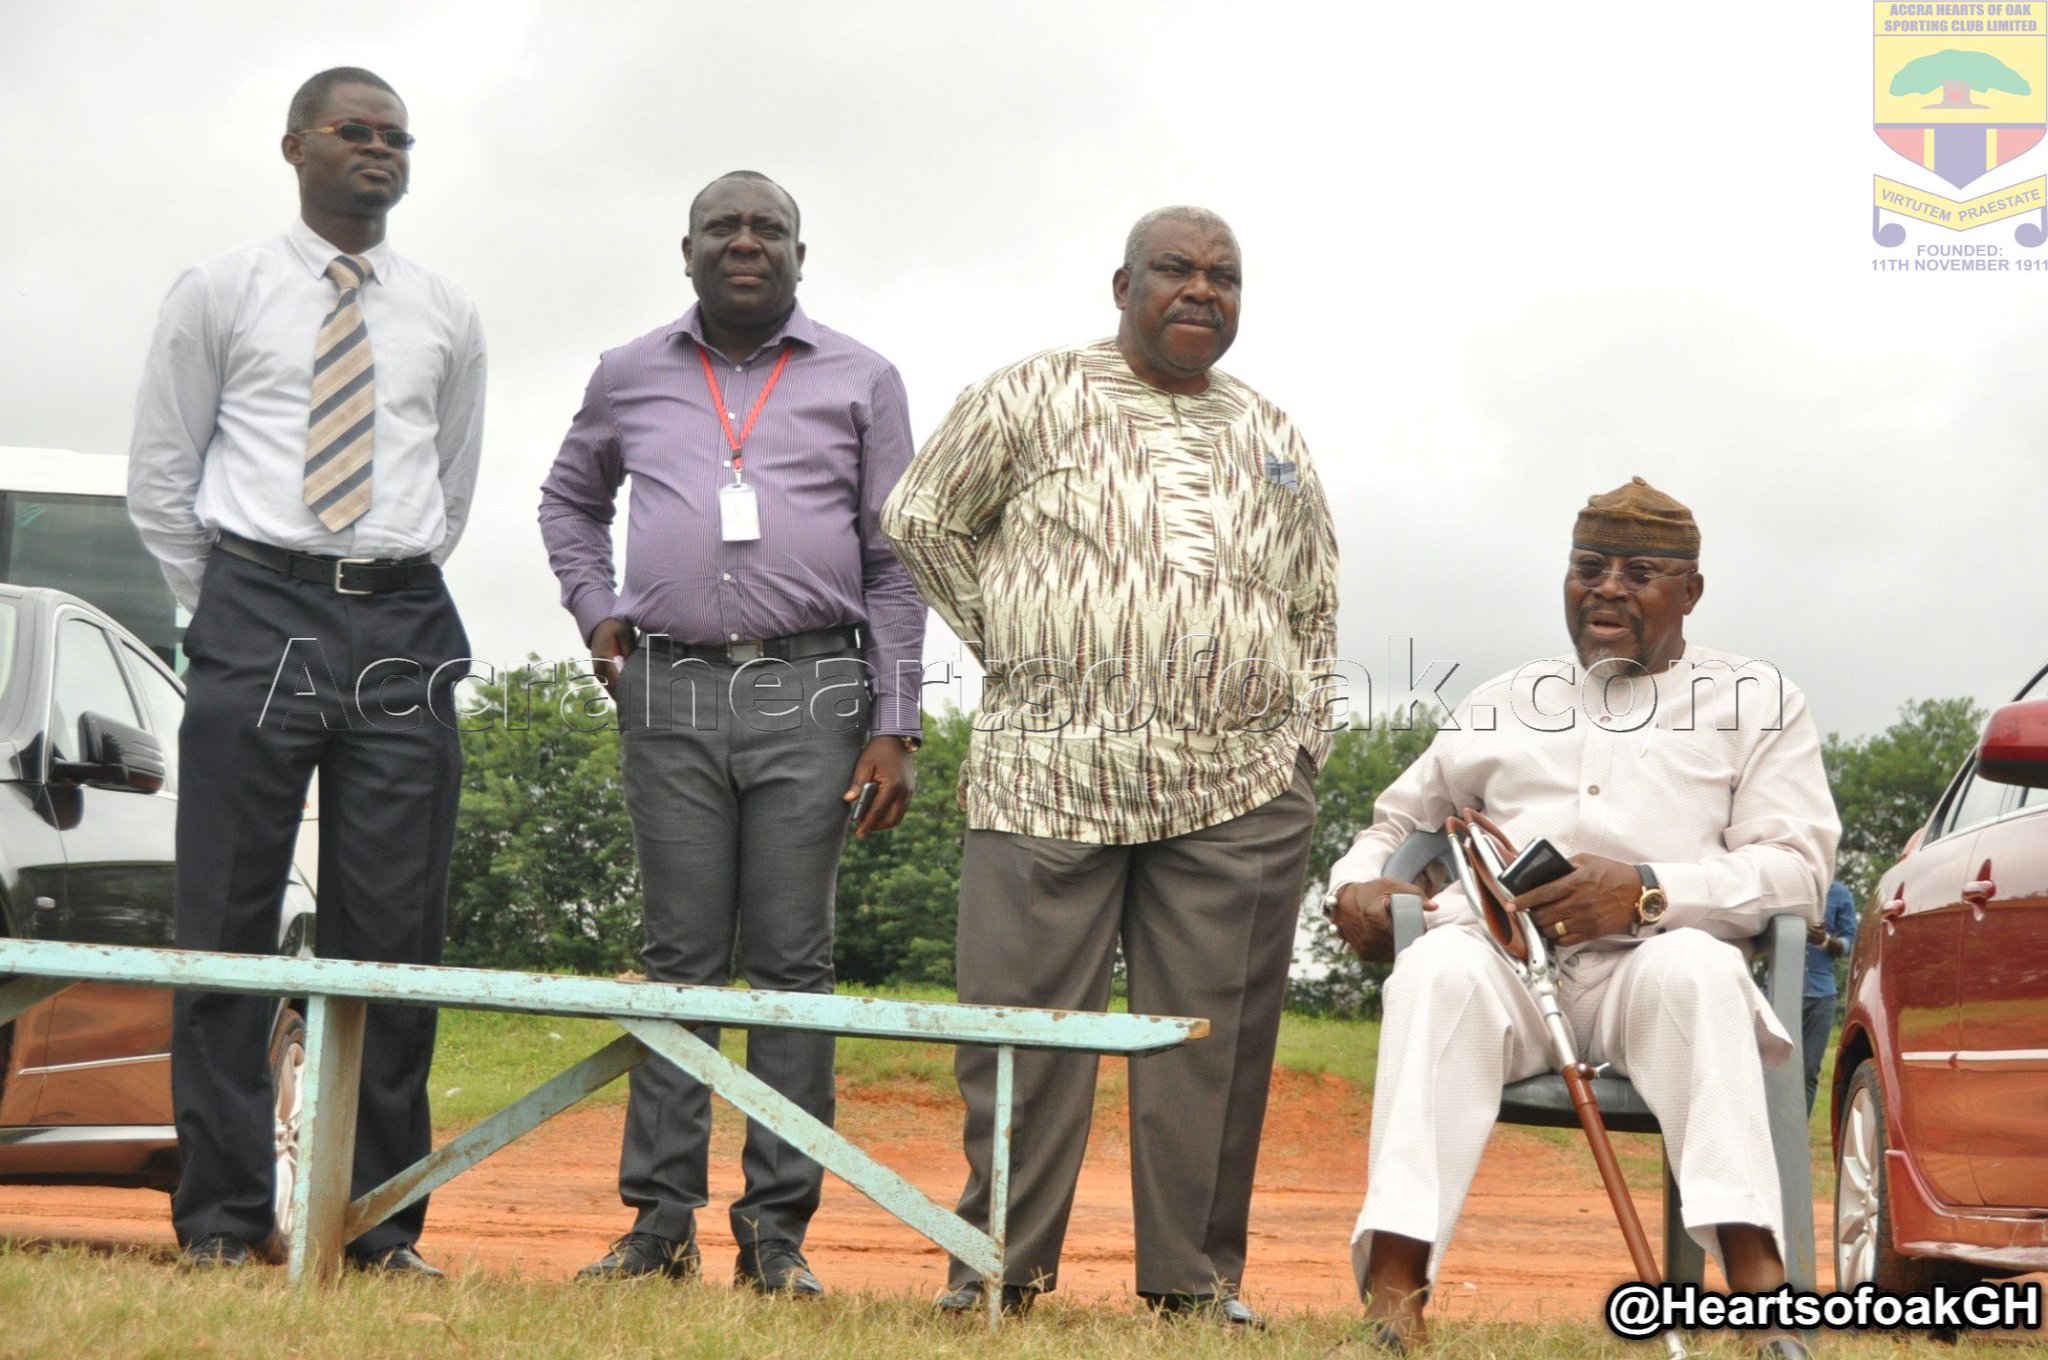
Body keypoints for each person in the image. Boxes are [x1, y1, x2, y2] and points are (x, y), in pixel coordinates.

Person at [883, 206, 1338, 1327]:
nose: (1200, 291)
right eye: (1175, 271)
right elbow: (922, 517)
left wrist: (1301, 745)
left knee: (1209, 1045)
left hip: (1237, 783)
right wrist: (1025, 639)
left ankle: (1194, 1282)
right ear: (1121, 282)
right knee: (1023, 1037)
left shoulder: (1269, 428)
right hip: (1048, 768)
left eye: (1223, 276)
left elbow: (1315, 593)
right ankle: (994, 1268)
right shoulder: (1027, 393)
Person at [1325, 477, 1838, 1358]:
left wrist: (1646, 889)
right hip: (1507, 964)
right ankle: (1394, 1312)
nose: (1607, 587)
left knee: (1704, 972)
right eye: (1588, 567)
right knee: (1437, 969)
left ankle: (1764, 1311)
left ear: (1691, 593)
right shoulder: (1501, 700)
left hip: (1657, 965)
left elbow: (1797, 871)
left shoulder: (1758, 700)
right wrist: (1357, 884)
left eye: (1640, 572)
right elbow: (1397, 825)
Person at [538, 171, 924, 1296]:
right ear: (687, 250)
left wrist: (894, 721)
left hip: (814, 691)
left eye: (768, 228)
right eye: (723, 227)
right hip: (665, 689)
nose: (744, 241)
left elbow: (895, 561)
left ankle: (775, 1229)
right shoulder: (627, 373)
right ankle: (659, 1223)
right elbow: (567, 501)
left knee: (792, 962)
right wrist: (594, 609)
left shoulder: (862, 376)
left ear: (801, 255)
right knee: (679, 957)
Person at [128, 67, 486, 1274]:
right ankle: (225, 1222)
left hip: (400, 622)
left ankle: (376, 1227)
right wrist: (231, 605)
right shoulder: (220, 289)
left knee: (393, 936)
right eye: (353, 132)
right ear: (296, 148)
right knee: (226, 923)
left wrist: (372, 584)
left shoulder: (444, 309)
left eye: (396, 137)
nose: (378, 151)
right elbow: (162, 478)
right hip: (255, 605)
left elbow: (450, 487)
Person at [1804, 880, 1858, 1112]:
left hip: (1820, 994)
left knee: (1809, 1071)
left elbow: (1849, 943)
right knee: (1769, 1068)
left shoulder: (1839, 893)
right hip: (1780, 989)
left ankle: (1795, 1137)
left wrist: (1825, 941)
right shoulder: (1788, 887)